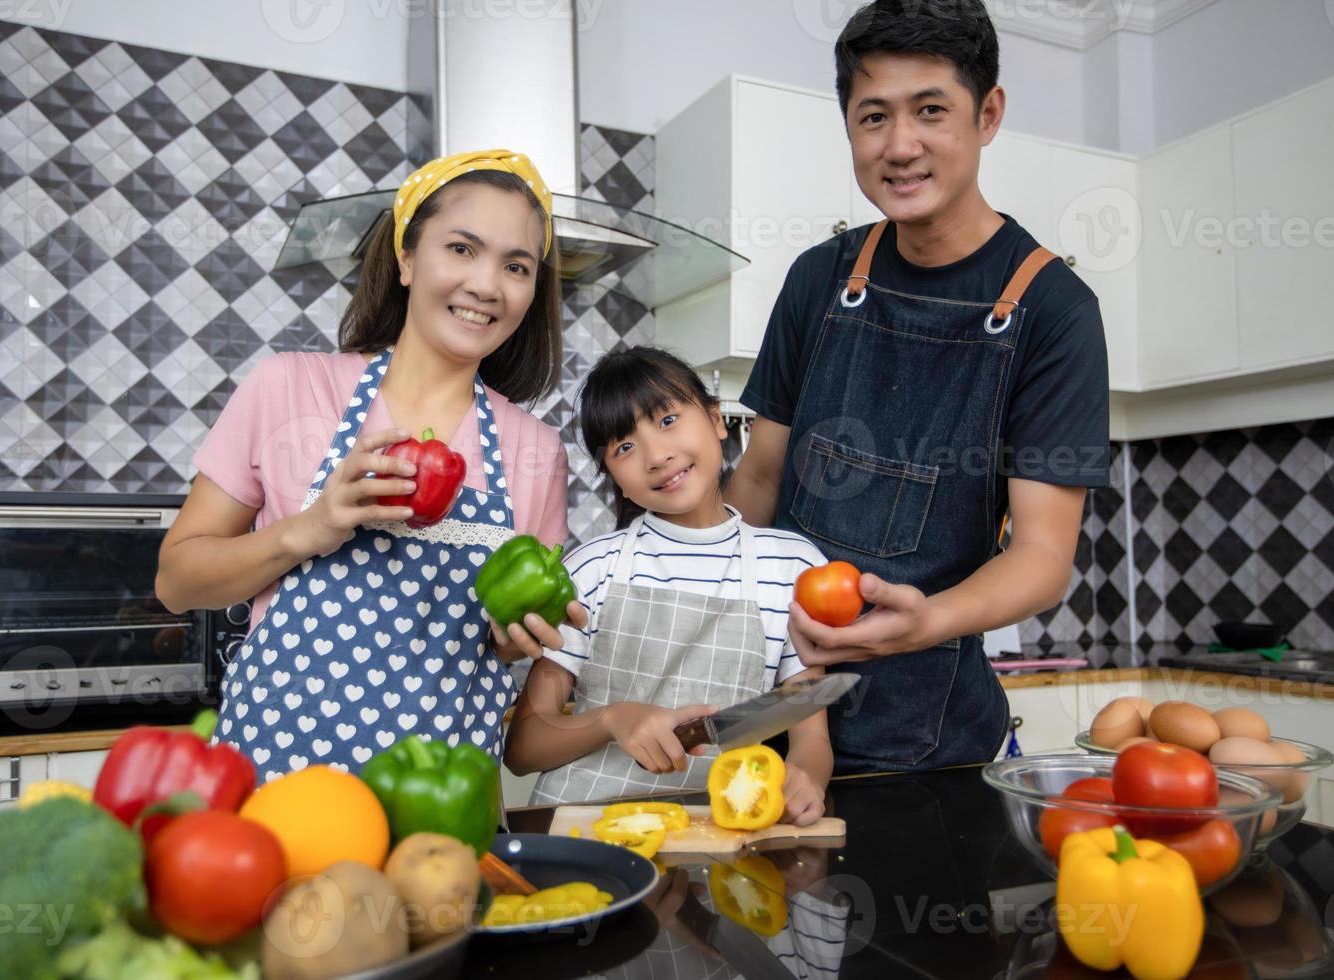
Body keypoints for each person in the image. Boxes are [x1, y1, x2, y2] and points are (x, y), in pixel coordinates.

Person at [728, 0, 1111, 774]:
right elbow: (761, 479)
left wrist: (925, 620)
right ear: (848, 128)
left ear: (988, 113)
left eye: (930, 110)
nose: (900, 146)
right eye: (873, 117)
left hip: (931, 738)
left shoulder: (1056, 312)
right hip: (775, 711)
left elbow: (1041, 555)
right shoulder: (818, 280)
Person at [156, 149, 584, 780]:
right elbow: (177, 582)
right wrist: (310, 527)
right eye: (462, 249)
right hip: (279, 786)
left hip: (439, 804)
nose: (487, 285)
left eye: (516, 266)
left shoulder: (537, 450)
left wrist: (515, 636)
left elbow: (512, 637)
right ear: (407, 258)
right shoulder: (289, 389)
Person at [506, 346, 832, 823]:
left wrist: (806, 780)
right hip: (588, 829)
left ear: (718, 419)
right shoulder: (590, 571)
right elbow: (524, 747)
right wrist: (612, 719)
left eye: (667, 420)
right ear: (614, 479)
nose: (657, 456)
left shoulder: (792, 567)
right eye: (624, 447)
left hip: (722, 829)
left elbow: (810, 738)